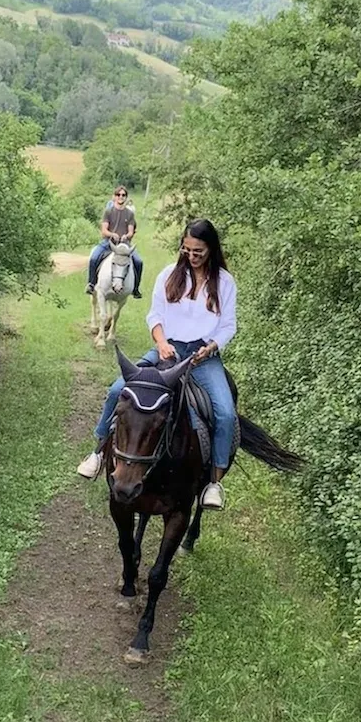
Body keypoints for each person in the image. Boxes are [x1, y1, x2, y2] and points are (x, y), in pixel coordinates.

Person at [77, 218, 237, 509]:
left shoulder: (225, 283)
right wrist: (161, 343)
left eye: (198, 251)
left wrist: (211, 346)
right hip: (167, 349)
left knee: (225, 413)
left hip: (204, 358)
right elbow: (155, 316)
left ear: (211, 249)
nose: (191, 256)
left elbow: (228, 326)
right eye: (186, 249)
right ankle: (98, 452)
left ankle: (213, 482)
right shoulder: (169, 274)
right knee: (117, 391)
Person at [86, 186, 143, 299]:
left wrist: (126, 236)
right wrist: (112, 234)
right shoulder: (108, 212)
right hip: (109, 243)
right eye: (118, 195)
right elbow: (104, 230)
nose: (121, 197)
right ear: (114, 197)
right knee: (93, 258)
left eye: (123, 195)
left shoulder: (130, 214)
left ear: (126, 198)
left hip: (124, 245)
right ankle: (91, 284)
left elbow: (131, 231)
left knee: (139, 261)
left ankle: (135, 288)